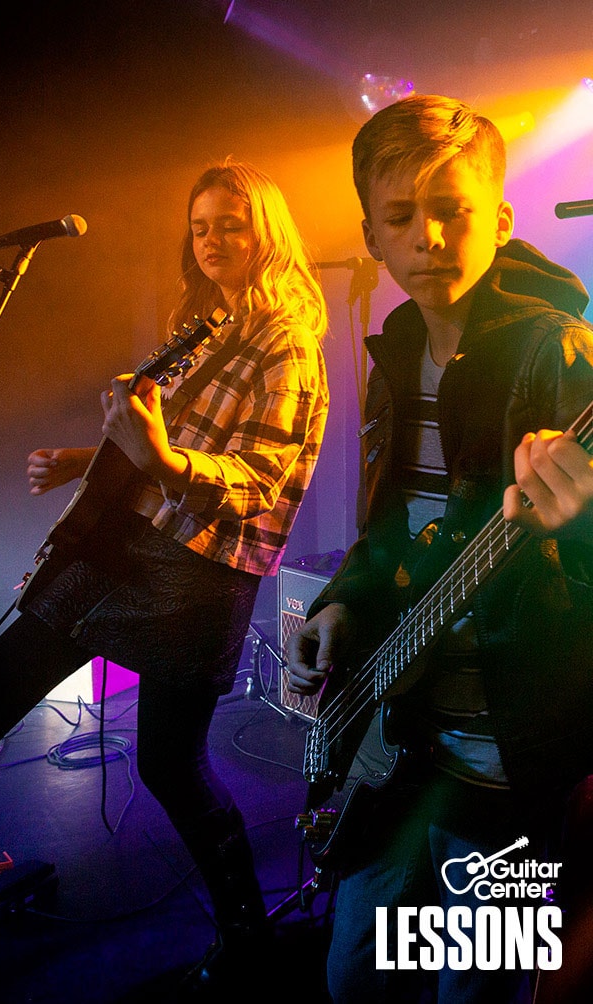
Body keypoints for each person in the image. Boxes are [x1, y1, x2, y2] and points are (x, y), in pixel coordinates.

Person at [0, 158, 330, 999]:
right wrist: (82, 461)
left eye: (229, 225)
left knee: (168, 765)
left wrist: (158, 456)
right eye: (199, 226)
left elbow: (260, 481)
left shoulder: (287, 341)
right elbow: (154, 443)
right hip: (126, 552)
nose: (210, 240)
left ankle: (248, 941)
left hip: (191, 577)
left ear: (266, 234)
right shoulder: (206, 324)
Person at [285, 93, 593, 1004]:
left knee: (479, 997)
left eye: (453, 210)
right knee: (353, 983)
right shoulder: (398, 348)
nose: (428, 235)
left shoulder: (561, 355)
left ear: (498, 218)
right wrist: (341, 600)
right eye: (401, 216)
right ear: (372, 236)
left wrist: (577, 529)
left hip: (506, 757)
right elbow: (388, 528)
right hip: (399, 733)